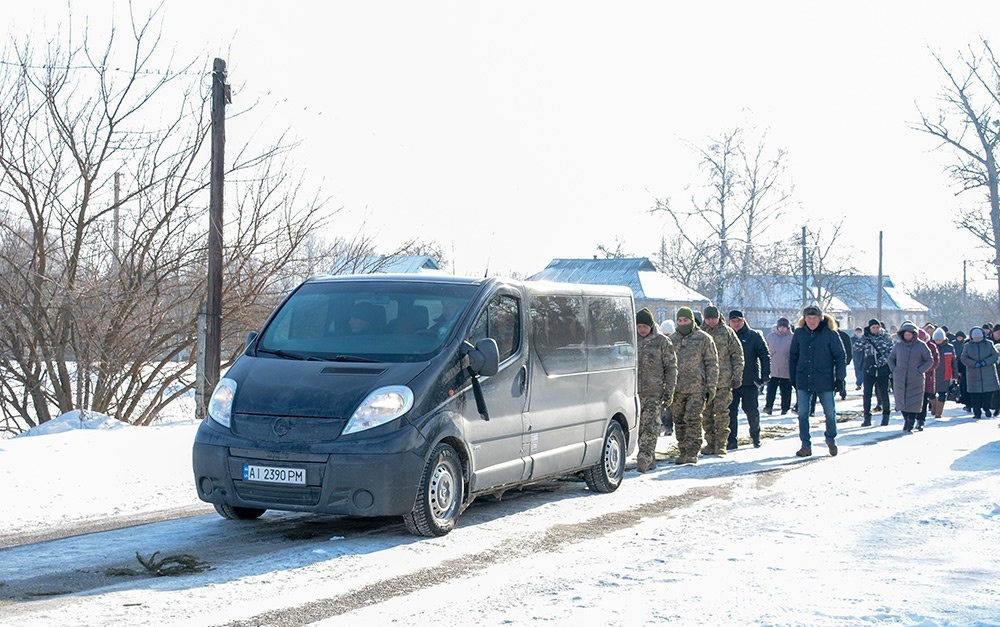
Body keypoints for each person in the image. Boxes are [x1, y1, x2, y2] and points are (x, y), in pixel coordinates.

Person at [788, 304, 846, 457]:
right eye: (809, 318)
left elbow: (840, 356)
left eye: (814, 318)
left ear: (820, 318)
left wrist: (840, 378)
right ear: (804, 319)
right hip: (803, 379)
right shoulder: (799, 333)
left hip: (825, 379)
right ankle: (805, 445)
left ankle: (830, 439)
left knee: (830, 413)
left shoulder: (830, 334)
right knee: (803, 414)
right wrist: (792, 377)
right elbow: (793, 356)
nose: (812, 321)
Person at [667, 307, 719, 465]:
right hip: (677, 389)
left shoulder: (703, 339)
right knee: (679, 420)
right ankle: (682, 450)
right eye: (680, 320)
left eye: (686, 320)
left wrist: (711, 387)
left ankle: (692, 451)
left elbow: (712, 364)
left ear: (692, 320)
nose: (683, 323)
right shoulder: (671, 340)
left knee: (693, 419)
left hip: (697, 388)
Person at [635, 307, 678, 473]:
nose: (642, 330)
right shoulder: (631, 341)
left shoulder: (662, 342)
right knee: (638, 427)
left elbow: (671, 367)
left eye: (645, 326)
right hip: (633, 393)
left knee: (651, 427)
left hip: (654, 393)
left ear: (651, 326)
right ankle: (649, 458)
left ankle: (644, 458)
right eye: (639, 326)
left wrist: (669, 391)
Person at [699, 305, 743, 456]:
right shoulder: (700, 334)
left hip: (723, 381)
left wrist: (737, 376)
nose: (711, 321)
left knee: (722, 414)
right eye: (709, 318)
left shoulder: (727, 332)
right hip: (705, 382)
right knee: (707, 415)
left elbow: (737, 355)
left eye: (714, 318)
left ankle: (721, 443)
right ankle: (710, 443)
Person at [726, 310, 771, 450]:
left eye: (738, 321)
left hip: (749, 381)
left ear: (743, 320)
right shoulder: (726, 336)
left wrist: (765, 374)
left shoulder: (754, 336)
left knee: (751, 411)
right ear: (729, 322)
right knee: (730, 411)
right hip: (731, 381)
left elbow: (764, 355)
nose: (736, 324)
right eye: (733, 321)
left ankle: (755, 436)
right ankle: (731, 440)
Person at [888, 321, 935, 433]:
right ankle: (906, 419)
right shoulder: (898, 346)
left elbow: (929, 360)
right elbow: (891, 358)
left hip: (915, 378)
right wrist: (894, 369)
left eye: (909, 334)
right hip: (900, 378)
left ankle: (911, 420)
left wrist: (920, 370)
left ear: (914, 334)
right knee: (901, 400)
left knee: (914, 401)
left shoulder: (921, 346)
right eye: (905, 334)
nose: (907, 336)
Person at [959, 327, 1000, 419]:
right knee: (975, 395)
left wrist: (986, 362)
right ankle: (977, 412)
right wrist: (974, 364)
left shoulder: (989, 344)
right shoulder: (967, 346)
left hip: (988, 373)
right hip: (973, 374)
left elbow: (995, 355)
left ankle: (987, 408)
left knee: (988, 393)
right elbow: (963, 358)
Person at [859, 318, 894, 426]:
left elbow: (890, 353)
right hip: (868, 369)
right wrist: (864, 337)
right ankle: (867, 417)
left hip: (882, 370)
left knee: (883, 393)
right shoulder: (866, 338)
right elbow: (856, 347)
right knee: (867, 394)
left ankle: (886, 416)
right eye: (873, 327)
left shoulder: (886, 337)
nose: (875, 329)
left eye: (877, 327)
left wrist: (879, 363)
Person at [764, 317, 793, 415]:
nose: (782, 329)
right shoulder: (771, 336)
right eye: (780, 327)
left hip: (786, 369)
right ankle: (768, 406)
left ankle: (785, 408)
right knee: (770, 390)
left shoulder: (792, 337)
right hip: (773, 369)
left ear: (788, 327)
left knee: (786, 390)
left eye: (784, 327)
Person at [916, 327, 939, 431]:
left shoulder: (931, 346)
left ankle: (921, 420)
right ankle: (911, 418)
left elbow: (935, 362)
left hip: (927, 377)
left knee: (924, 400)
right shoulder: (911, 346)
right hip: (913, 377)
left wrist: (923, 369)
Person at [931, 327, 955, 419]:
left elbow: (954, 362)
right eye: (936, 339)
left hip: (945, 374)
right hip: (932, 374)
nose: (938, 341)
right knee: (931, 393)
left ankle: (939, 412)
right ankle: (934, 407)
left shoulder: (949, 348)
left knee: (942, 393)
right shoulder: (930, 347)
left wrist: (955, 375)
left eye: (940, 339)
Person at [836, 320, 853, 400]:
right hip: (830, 361)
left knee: (841, 376)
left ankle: (842, 391)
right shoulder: (827, 335)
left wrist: (848, 359)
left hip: (842, 360)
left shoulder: (844, 336)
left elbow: (849, 348)